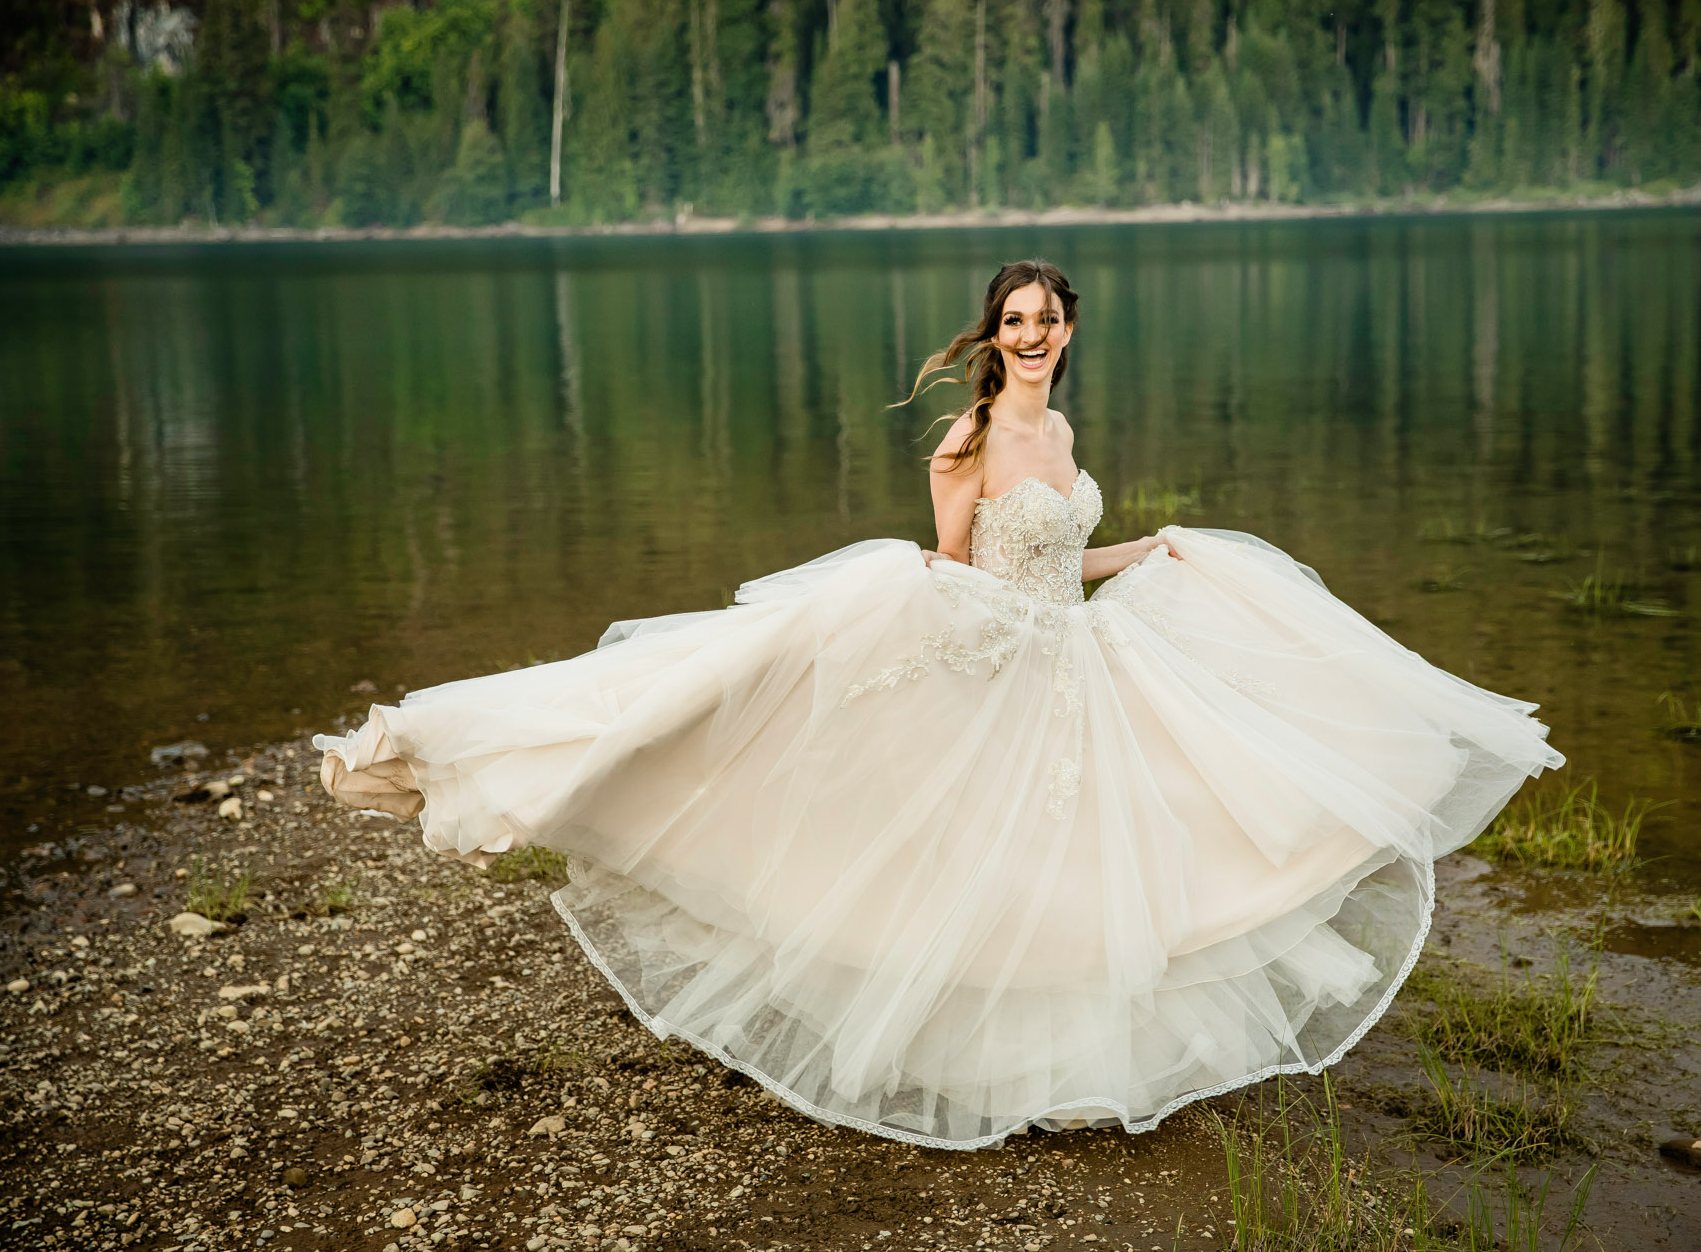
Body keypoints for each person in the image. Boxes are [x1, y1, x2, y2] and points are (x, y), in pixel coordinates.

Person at [314, 258, 1565, 1151]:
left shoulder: (1064, 434)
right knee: (974, 863)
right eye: (1010, 322)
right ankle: (489, 754)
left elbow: (1062, 558)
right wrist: (898, 610)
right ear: (994, 334)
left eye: (1043, 319)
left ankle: (1068, 1072)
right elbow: (964, 572)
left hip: (1073, 657)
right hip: (997, 663)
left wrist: (1146, 554)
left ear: (1068, 329)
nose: (1027, 336)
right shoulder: (963, 443)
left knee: (1089, 874)